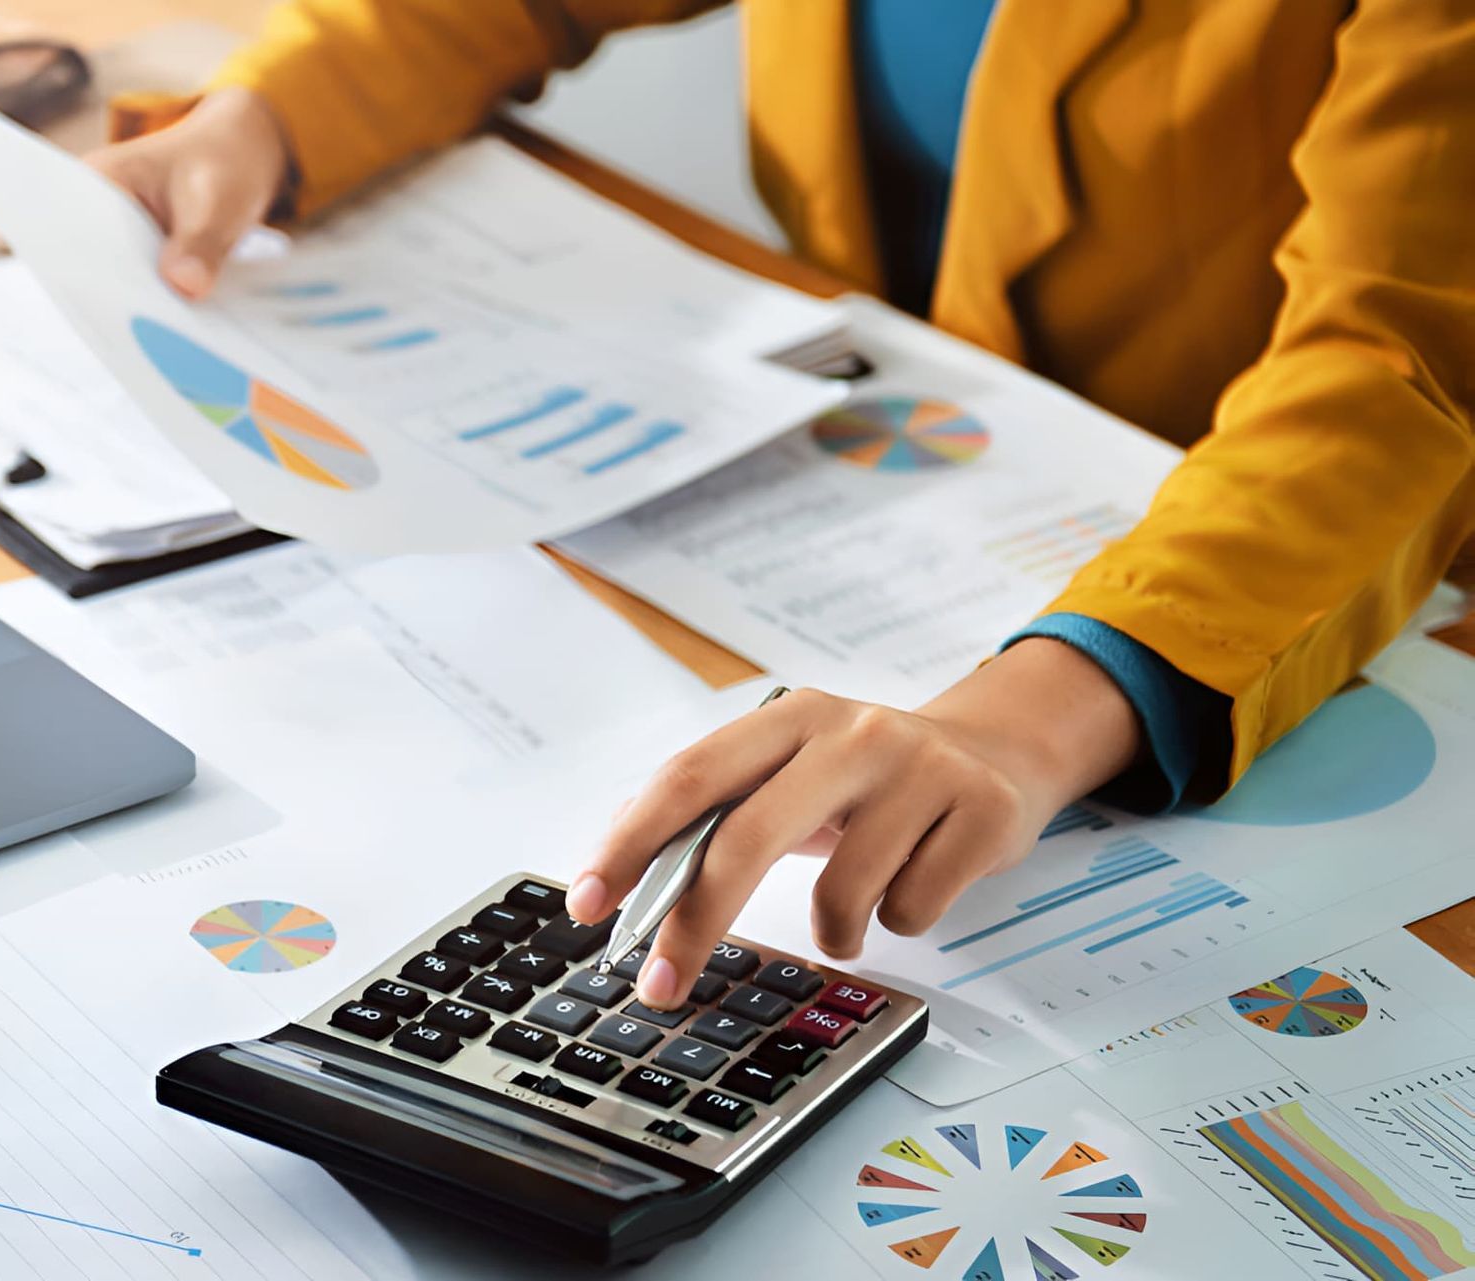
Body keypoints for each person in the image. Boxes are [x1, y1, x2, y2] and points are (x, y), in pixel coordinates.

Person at [93, 1, 1475, 1009]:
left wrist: (1017, 728)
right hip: (863, 465)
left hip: (1271, 562)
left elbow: (1398, 371)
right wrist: (270, 113)